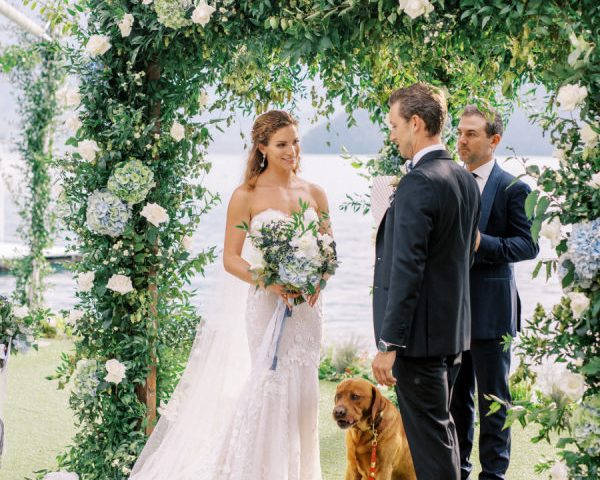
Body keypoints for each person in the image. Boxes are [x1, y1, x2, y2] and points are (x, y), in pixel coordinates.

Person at [130, 110, 331, 480]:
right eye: (282, 144)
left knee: (303, 392)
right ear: (262, 148)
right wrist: (270, 280)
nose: (292, 151)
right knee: (269, 386)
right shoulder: (246, 195)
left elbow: (327, 251)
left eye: (295, 142)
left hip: (306, 311)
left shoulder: (315, 193)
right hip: (266, 303)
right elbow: (230, 259)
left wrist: (317, 281)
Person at [371, 83, 481, 480]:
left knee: (430, 449)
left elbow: (408, 268)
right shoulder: (463, 178)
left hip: (417, 342)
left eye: (395, 125)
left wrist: (390, 344)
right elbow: (463, 255)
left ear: (415, 123)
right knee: (442, 436)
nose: (393, 133)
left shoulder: (420, 181)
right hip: (451, 336)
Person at [450, 105, 539, 480]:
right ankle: (459, 467)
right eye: (459, 132)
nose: (462, 140)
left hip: (492, 312)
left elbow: (528, 245)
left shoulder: (513, 188)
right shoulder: (450, 181)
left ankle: (495, 474)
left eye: (471, 133)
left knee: (493, 401)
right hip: (452, 312)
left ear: (494, 140)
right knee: (456, 401)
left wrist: (482, 243)